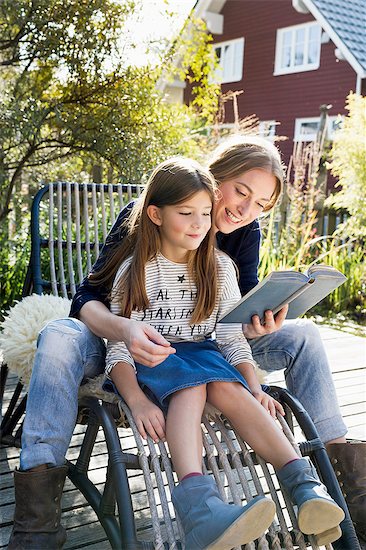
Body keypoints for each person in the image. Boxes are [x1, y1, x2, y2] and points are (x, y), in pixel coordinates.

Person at [8, 136, 365, 549]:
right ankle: (36, 522)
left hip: (206, 343)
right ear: (216, 180)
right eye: (240, 192)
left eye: (261, 205)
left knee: (304, 335)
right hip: (128, 335)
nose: (246, 211)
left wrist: (259, 327)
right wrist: (124, 334)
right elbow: (89, 297)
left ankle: (344, 491)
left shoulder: (235, 246)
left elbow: (230, 322)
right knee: (58, 337)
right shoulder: (145, 224)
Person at [101, 156, 344, 549]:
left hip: (205, 353)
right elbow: (118, 346)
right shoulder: (134, 270)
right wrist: (135, 400)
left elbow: (231, 338)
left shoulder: (221, 267)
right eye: (186, 213)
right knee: (192, 388)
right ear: (155, 215)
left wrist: (256, 387)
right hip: (159, 356)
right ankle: (200, 511)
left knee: (233, 391)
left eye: (203, 213)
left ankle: (304, 487)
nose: (199, 223)